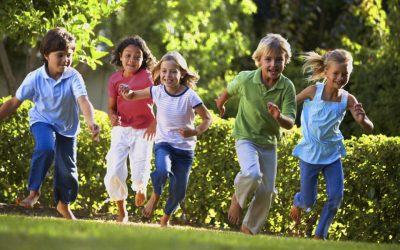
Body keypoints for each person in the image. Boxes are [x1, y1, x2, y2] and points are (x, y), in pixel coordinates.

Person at [0, 27, 100, 219]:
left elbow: (83, 100)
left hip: (67, 128)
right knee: (46, 148)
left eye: (69, 55)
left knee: (68, 172)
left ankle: (63, 204)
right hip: (42, 121)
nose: (66, 59)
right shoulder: (34, 78)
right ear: (46, 55)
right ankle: (34, 192)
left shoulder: (73, 76)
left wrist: (91, 122)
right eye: (60, 55)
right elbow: (14, 102)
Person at [119, 51, 213, 227]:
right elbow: (132, 95)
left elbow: (208, 118)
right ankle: (155, 195)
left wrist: (194, 131)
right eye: (164, 71)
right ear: (159, 72)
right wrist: (127, 91)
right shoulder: (157, 91)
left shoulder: (190, 96)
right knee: (162, 170)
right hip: (164, 143)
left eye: (172, 72)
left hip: (185, 149)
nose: (167, 75)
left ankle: (165, 219)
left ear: (182, 73)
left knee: (179, 191)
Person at [215, 33, 297, 235]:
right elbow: (227, 91)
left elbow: (290, 122)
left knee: (267, 191)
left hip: (269, 143)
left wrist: (278, 117)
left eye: (279, 59)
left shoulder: (287, 87)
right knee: (252, 173)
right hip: (246, 137)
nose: (273, 64)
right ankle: (238, 199)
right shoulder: (246, 79)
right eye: (268, 59)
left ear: (285, 61)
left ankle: (248, 230)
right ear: (259, 60)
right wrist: (220, 105)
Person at [289, 49, 374, 240]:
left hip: (332, 154)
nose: (340, 77)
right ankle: (298, 200)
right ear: (326, 71)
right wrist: (279, 113)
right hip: (310, 154)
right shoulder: (313, 91)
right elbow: (291, 104)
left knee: (336, 196)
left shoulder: (348, 99)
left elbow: (369, 126)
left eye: (345, 74)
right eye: (336, 73)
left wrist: (362, 121)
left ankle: (320, 234)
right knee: (309, 200)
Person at [104, 36, 157, 223]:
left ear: (143, 59)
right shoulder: (114, 79)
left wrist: (154, 123)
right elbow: (111, 107)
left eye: (137, 57)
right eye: (128, 56)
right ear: (120, 56)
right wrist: (112, 116)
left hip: (144, 129)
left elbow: (163, 99)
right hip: (122, 128)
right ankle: (121, 210)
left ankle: (141, 188)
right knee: (114, 169)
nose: (132, 60)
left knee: (140, 166)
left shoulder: (149, 77)